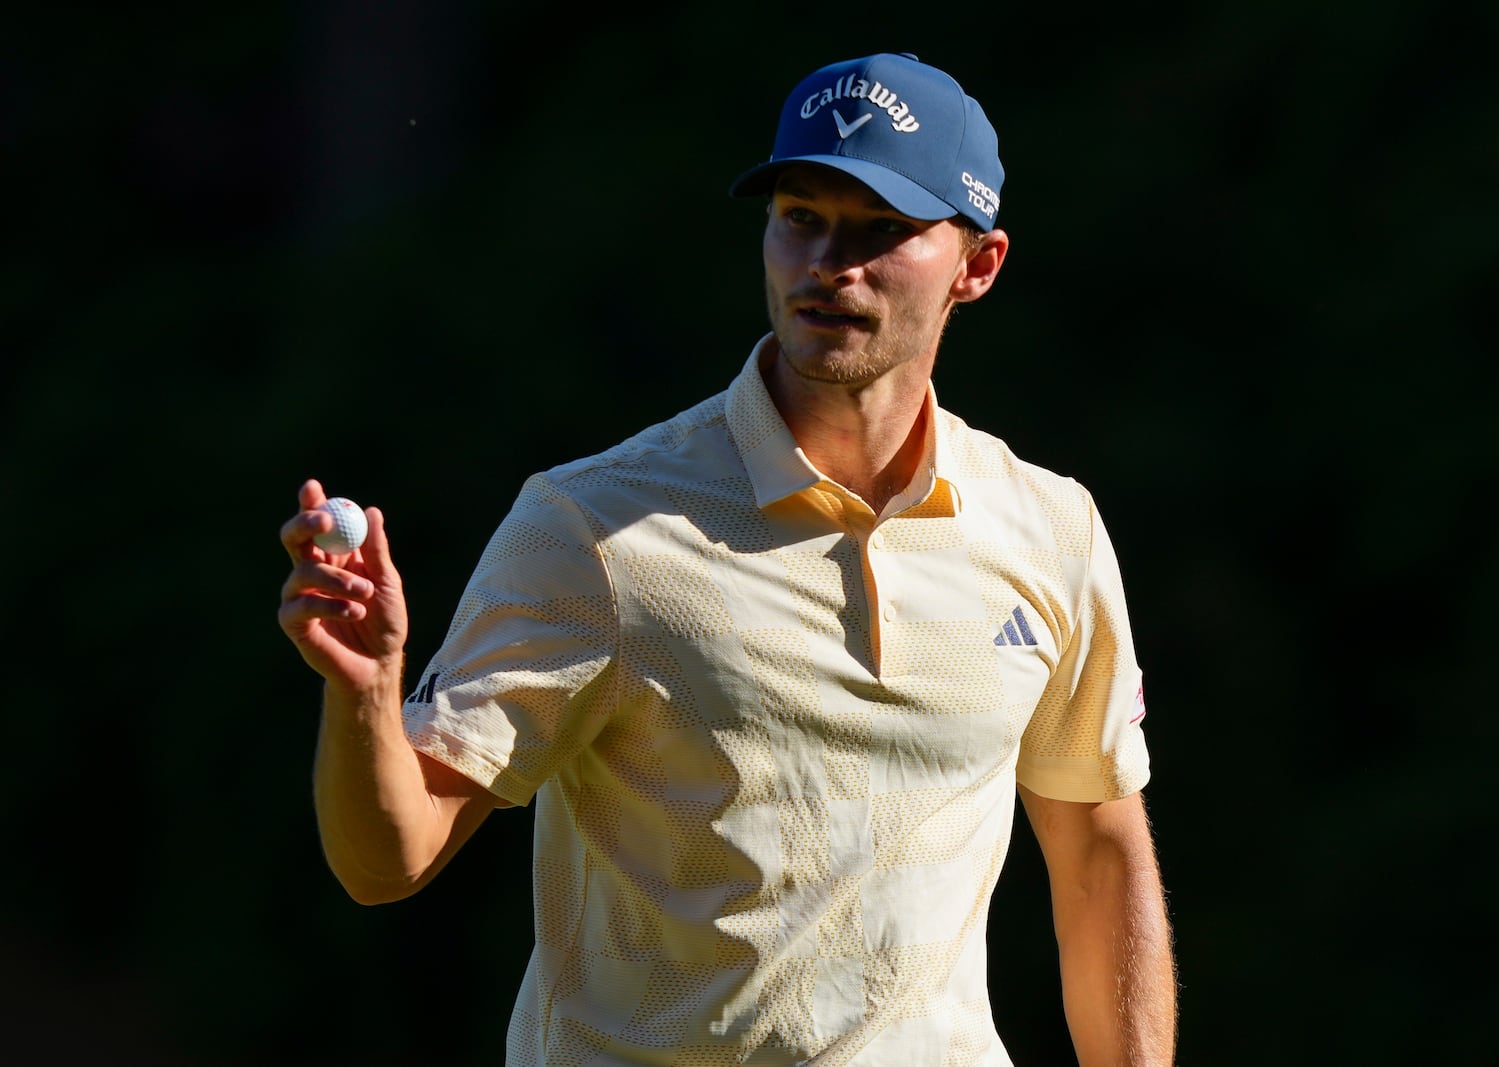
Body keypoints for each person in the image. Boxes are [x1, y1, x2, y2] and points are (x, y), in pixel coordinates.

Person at [279, 51, 1177, 1067]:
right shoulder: (594, 525)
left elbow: (1098, 849)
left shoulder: (1048, 527)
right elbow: (384, 862)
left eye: (880, 228)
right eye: (800, 215)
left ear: (978, 265)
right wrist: (365, 694)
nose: (829, 261)